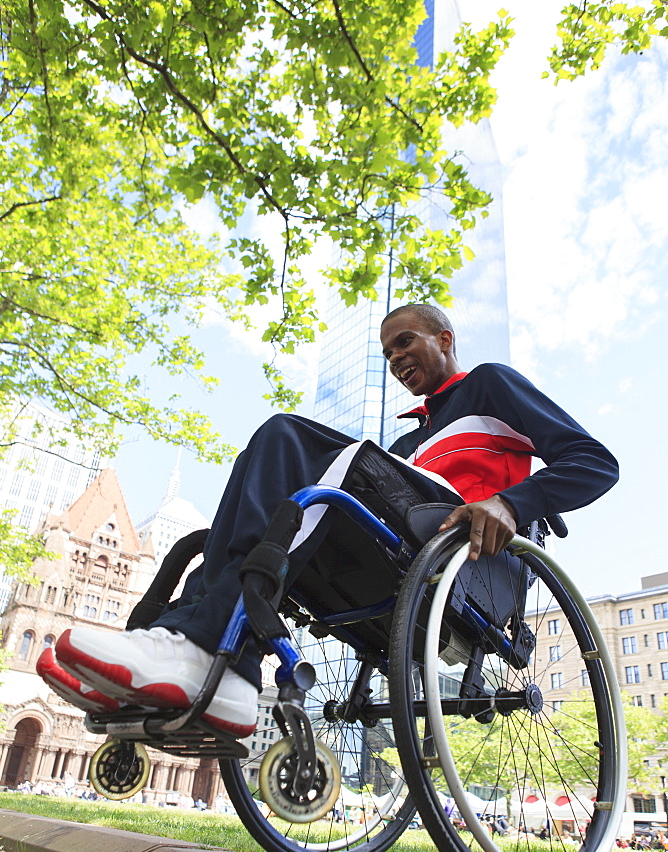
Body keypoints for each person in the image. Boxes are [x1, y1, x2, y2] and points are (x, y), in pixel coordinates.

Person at [37, 303, 618, 738]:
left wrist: (513, 504)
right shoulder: (407, 439)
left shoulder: (488, 385)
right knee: (255, 490)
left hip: (467, 555)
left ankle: (205, 648)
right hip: (398, 542)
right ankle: (191, 647)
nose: (396, 360)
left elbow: (595, 463)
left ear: (445, 339)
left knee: (285, 437)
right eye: (387, 354)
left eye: (406, 342)